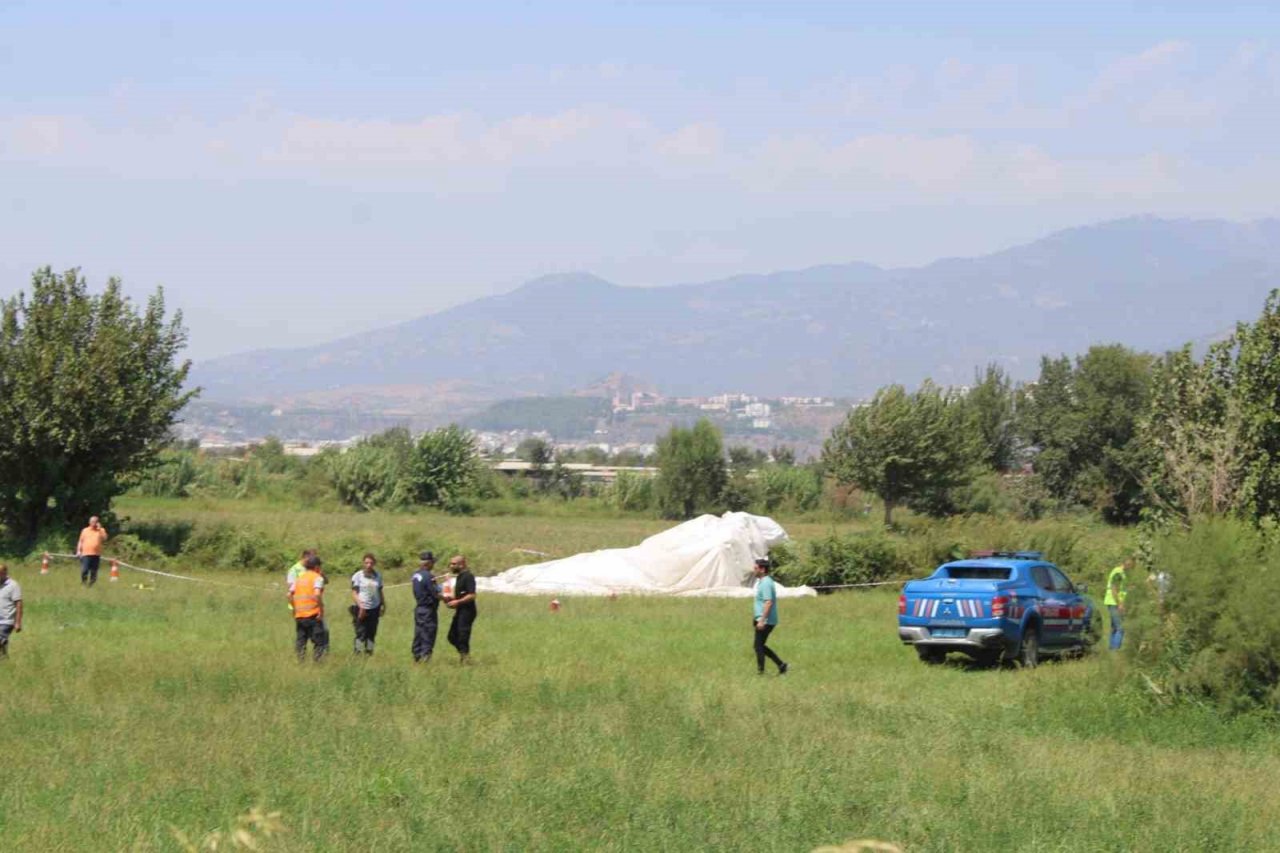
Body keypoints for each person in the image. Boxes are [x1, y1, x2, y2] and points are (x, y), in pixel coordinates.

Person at [752, 557, 788, 676]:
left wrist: (762, 621)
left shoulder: (766, 583)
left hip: (766, 620)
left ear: (762, 569)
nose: (754, 570)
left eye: (756, 568)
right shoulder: (763, 582)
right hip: (763, 619)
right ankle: (781, 665)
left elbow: (768, 602)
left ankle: (761, 672)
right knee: (759, 646)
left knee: (758, 646)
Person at [289, 555, 328, 662]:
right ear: (316, 567)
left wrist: (294, 609)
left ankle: (300, 662)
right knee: (319, 641)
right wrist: (321, 609)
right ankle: (318, 663)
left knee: (301, 641)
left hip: (300, 615)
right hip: (313, 615)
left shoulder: (299, 579)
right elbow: (317, 594)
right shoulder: (317, 577)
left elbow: (289, 595)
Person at [349, 552, 385, 655]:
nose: (369, 565)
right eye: (366, 563)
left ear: (374, 563)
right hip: (361, 609)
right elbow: (354, 593)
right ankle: (358, 654)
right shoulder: (358, 576)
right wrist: (361, 607)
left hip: (375, 608)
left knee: (372, 634)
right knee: (361, 633)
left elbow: (380, 591)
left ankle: (369, 653)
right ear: (363, 563)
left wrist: (383, 604)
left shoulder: (378, 576)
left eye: (371, 563)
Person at [444, 555, 477, 664]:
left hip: (468, 611)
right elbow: (457, 595)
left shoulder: (468, 576)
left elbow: (472, 595)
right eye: (451, 563)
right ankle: (465, 655)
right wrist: (449, 598)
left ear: (461, 564)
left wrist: (457, 602)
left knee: (463, 636)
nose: (451, 566)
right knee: (451, 636)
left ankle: (465, 659)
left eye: (453, 564)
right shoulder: (459, 577)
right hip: (460, 611)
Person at [411, 551, 441, 663]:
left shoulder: (415, 575)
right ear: (428, 563)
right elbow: (436, 593)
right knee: (428, 633)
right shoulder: (429, 576)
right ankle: (425, 658)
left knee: (418, 633)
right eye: (432, 562)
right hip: (428, 610)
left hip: (419, 609)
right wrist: (447, 598)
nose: (434, 564)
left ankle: (416, 656)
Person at [1106, 557, 1131, 651]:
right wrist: (1119, 603)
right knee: (1120, 628)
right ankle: (1114, 651)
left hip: (1112, 602)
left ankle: (1111, 650)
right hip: (1114, 603)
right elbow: (1113, 588)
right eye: (1131, 565)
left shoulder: (1121, 573)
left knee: (1114, 628)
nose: (1131, 567)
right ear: (1127, 563)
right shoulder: (1118, 572)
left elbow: (1121, 589)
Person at [76, 516, 109, 587]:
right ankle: (84, 583)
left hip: (96, 554)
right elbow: (80, 541)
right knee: (85, 570)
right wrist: (78, 550)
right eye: (92, 522)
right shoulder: (85, 530)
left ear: (98, 522)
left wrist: (100, 529)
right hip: (86, 553)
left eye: (95, 522)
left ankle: (90, 585)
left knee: (94, 571)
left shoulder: (101, 530)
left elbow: (105, 538)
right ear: (89, 522)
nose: (93, 523)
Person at [0, 564, 22, 660]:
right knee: (1, 642)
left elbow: (19, 604)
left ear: (4, 573)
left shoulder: (13, 585)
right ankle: (4, 658)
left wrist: (17, 622)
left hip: (7, 621)